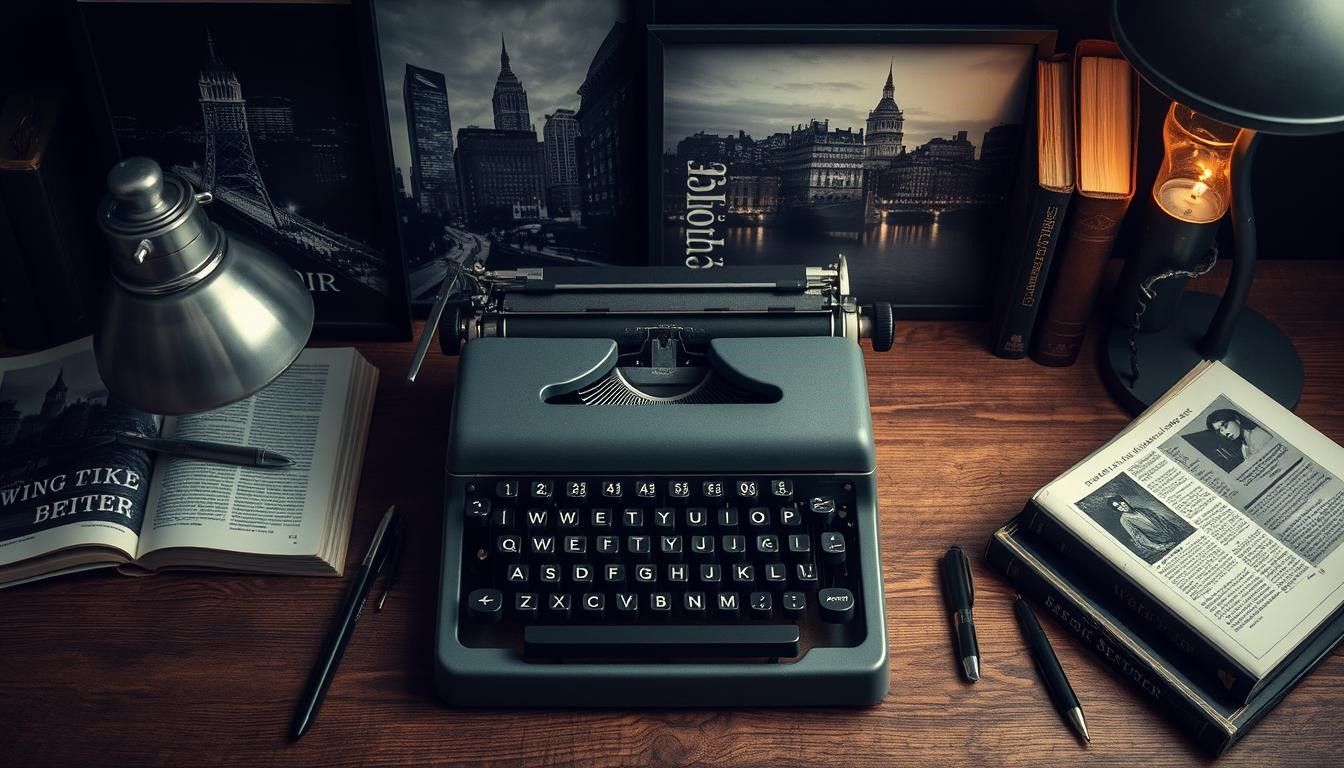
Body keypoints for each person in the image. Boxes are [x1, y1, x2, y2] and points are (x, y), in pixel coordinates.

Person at [1108, 495, 1186, 560]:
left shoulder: (1143, 510)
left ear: (1124, 501)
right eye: (1118, 506)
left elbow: (1162, 521)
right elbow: (1138, 536)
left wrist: (1177, 529)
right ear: (1117, 509)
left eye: (1121, 503)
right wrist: (1158, 547)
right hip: (1161, 543)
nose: (1122, 506)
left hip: (1174, 534)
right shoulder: (1124, 520)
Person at [1207, 408, 1273, 460]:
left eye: (1225, 425)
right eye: (1220, 430)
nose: (1225, 432)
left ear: (1236, 419)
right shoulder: (1243, 446)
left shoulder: (1257, 435)